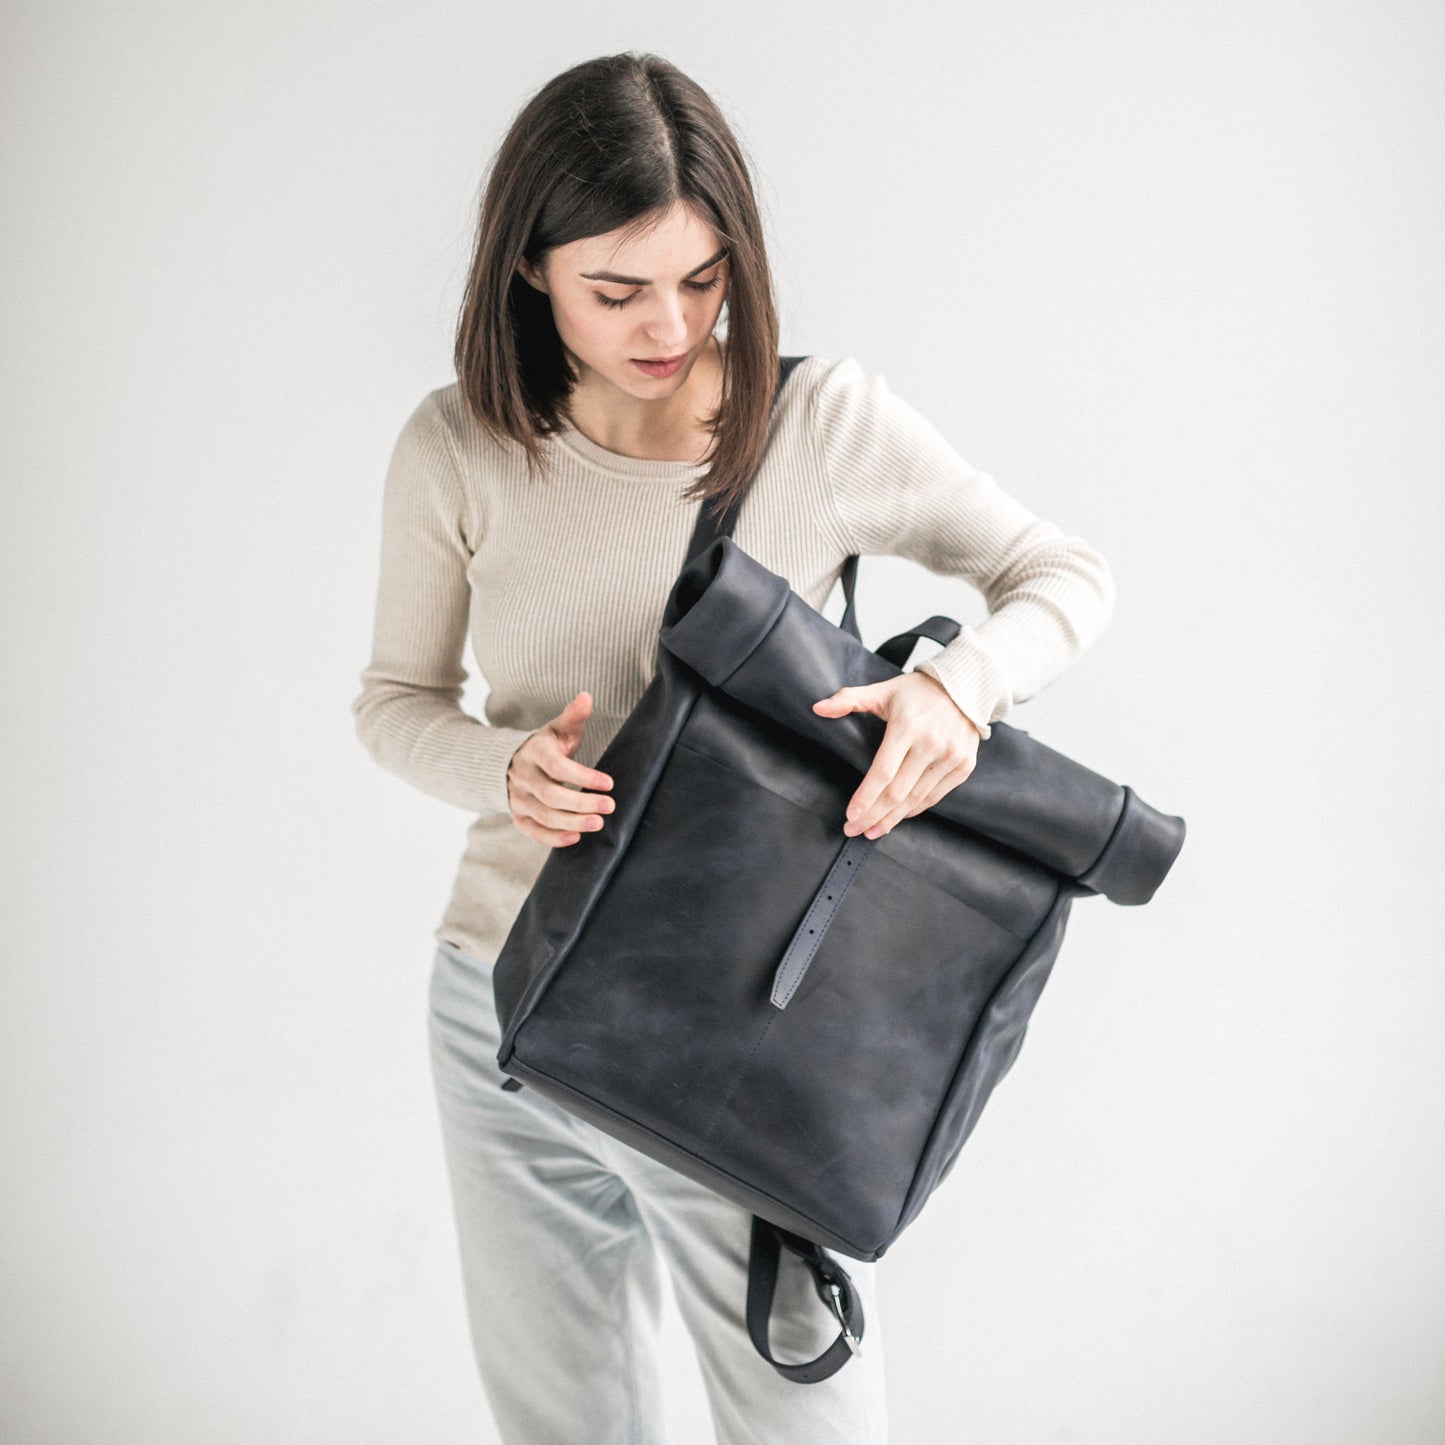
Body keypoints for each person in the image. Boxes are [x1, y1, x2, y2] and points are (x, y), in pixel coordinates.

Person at [352, 50, 1115, 1445]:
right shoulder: (456, 448)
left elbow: (1061, 573)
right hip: (492, 1002)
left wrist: (954, 688)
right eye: (616, 288)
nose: (670, 324)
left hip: (726, 1018)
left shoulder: (811, 424)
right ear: (528, 270)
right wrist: (500, 768)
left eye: (702, 279)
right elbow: (394, 698)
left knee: (802, 1416)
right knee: (566, 1424)